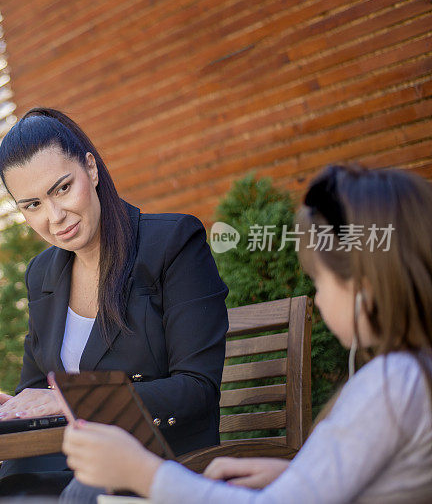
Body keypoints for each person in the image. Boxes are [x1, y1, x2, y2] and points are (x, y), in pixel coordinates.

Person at [62, 164, 432, 503]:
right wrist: (295, 474)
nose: (318, 298)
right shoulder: (411, 375)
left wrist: (142, 472)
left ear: (363, 288)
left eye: (320, 281)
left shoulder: (390, 384)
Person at [0, 108, 229, 493]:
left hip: (155, 466)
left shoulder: (172, 243)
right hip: (62, 463)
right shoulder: (41, 274)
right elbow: (38, 392)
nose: (55, 216)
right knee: (5, 494)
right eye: (32, 205)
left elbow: (197, 389)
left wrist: (71, 400)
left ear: (91, 170)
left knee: (82, 491)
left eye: (62, 188)